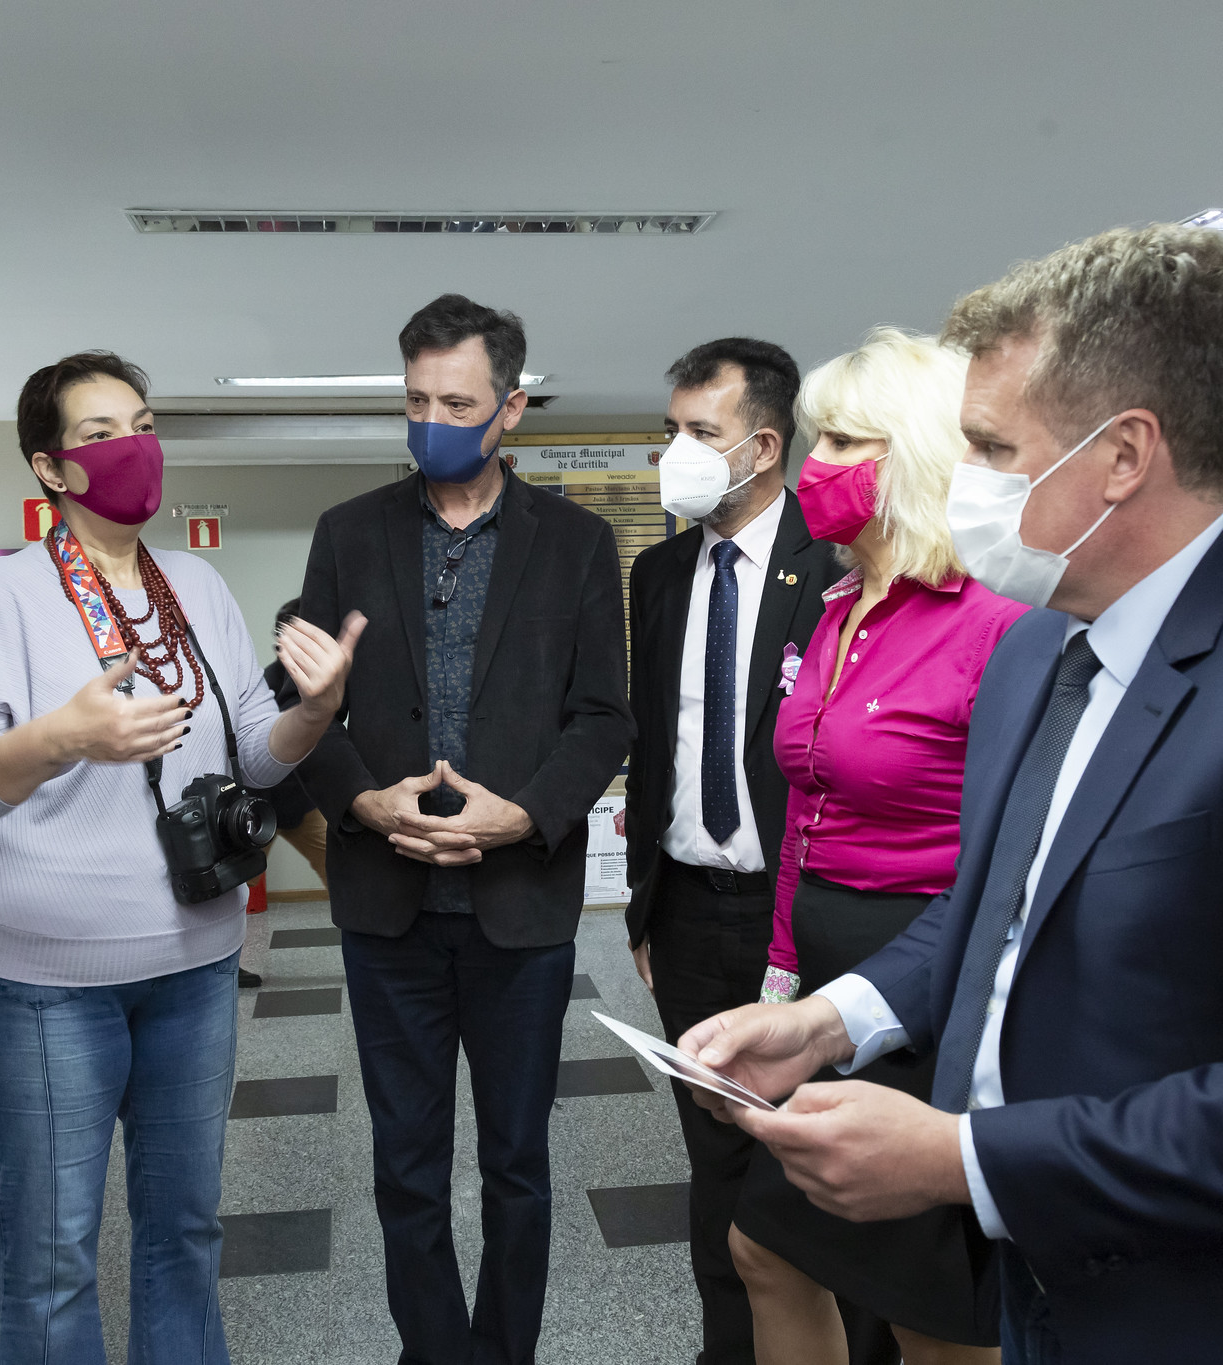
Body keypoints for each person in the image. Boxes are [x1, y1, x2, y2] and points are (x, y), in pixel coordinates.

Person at [681, 224, 1223, 1363]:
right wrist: (830, 1021)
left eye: (991, 448)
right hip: (1068, 1291)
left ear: (1123, 454)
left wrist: (959, 1160)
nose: (961, 482)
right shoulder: (1042, 650)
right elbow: (998, 904)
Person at [0, 350, 362, 1365]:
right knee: (52, 1255)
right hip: (43, 981)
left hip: (195, 967)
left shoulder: (194, 583)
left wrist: (317, 709)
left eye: (144, 425)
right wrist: (61, 737)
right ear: (50, 468)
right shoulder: (3, 596)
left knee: (185, 1234)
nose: (134, 447)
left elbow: (254, 752)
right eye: (100, 433)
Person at [291, 294, 632, 1365]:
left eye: (456, 403)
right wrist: (361, 800)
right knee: (405, 1166)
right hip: (387, 909)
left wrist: (521, 814)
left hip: (518, 909)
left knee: (518, 1164)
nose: (430, 422)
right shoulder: (348, 534)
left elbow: (603, 716)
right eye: (415, 401)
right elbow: (303, 704)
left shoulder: (575, 545)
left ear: (510, 409)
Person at [728, 329, 1024, 1365]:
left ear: (917, 454)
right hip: (827, 968)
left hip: (928, 984)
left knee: (927, 1315)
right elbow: (805, 806)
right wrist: (782, 970)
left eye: (846, 441)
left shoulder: (994, 624)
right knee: (768, 1245)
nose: (816, 465)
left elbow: (1012, 860)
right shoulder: (838, 607)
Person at [622, 336, 842, 1365]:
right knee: (713, 1162)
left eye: (699, 432)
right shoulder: (660, 571)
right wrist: (643, 906)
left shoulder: (833, 564)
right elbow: (652, 743)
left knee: (815, 1164)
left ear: (762, 447)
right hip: (685, 914)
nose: (675, 451)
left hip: (796, 915)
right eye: (669, 430)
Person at [252, 598, 331, 894]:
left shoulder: (321, 681)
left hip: (302, 802)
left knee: (337, 867)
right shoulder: (262, 686)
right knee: (239, 882)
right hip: (257, 805)